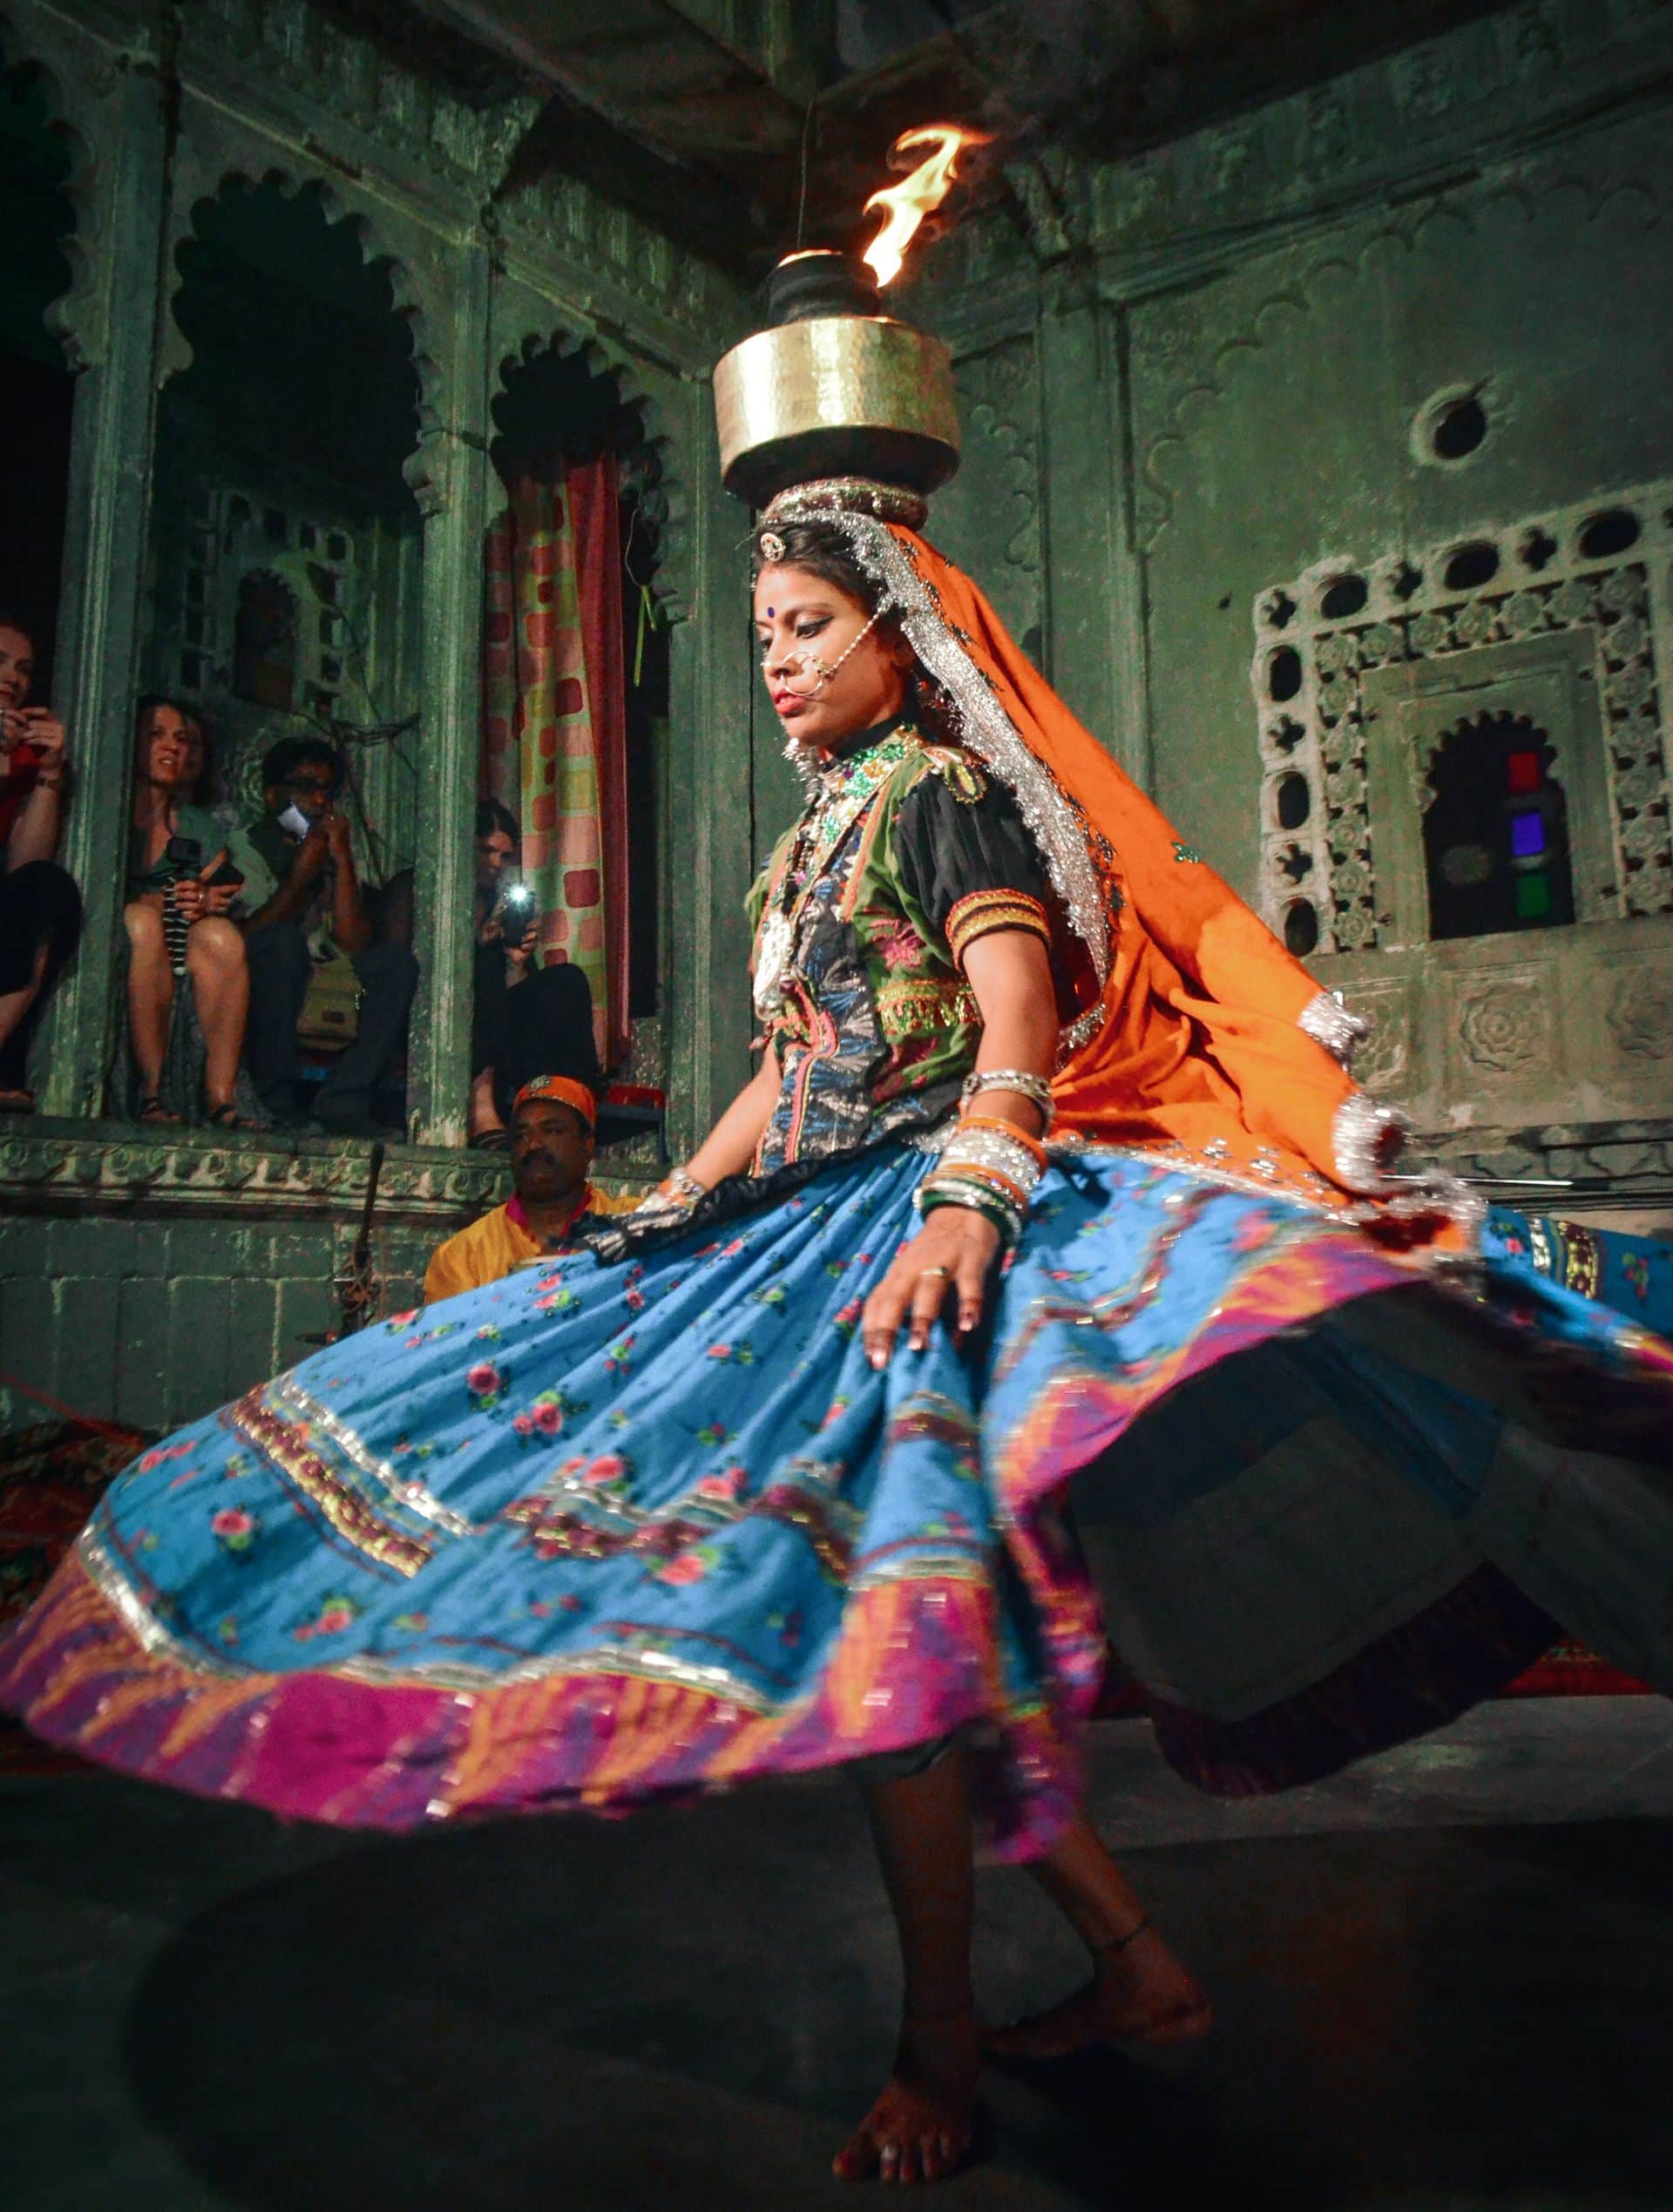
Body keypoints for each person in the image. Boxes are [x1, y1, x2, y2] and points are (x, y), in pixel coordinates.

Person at [10, 481, 1673, 2192]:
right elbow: (783, 1061)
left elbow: (1011, 1006)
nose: (782, 664)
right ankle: (1125, 1962)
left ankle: (940, 2043)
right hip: (804, 1228)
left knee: (904, 1645)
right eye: (763, 641)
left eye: (810, 629)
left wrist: (972, 1190)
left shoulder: (944, 795)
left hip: (918, 1234)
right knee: (923, 1638)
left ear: (902, 635)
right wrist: (678, 1201)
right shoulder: (809, 837)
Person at [229, 734, 418, 1137]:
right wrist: (300, 877)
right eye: (305, 788)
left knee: (395, 965)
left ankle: (343, 1100)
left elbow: (353, 942)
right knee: (282, 945)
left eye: (327, 792)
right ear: (271, 795)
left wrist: (342, 860)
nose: (319, 802)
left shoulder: (329, 850)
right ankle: (275, 1101)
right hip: (268, 967)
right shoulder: (245, 846)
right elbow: (248, 935)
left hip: (329, 971)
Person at [122, 695, 255, 1128]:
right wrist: (160, 902)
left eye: (181, 739)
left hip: (180, 938)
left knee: (222, 938)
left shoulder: (195, 823)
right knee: (143, 923)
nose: (172, 747)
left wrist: (209, 898)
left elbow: (225, 883)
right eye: (156, 735)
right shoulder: (111, 809)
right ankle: (152, 1092)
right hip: (125, 931)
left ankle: (221, 1099)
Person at [423, 1074, 638, 1302]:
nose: (533, 1144)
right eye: (521, 1136)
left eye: (552, 1130)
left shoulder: (635, 1226)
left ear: (587, 1144)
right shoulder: (463, 1256)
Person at [468, 797, 600, 1146]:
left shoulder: (500, 904)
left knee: (566, 980)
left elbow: (520, 999)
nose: (495, 864)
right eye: (485, 851)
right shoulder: (425, 891)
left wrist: (516, 959)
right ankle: (479, 1107)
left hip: (500, 1029)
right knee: (485, 961)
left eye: (504, 855)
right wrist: (479, 943)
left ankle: (567, 1108)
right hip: (447, 1025)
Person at [0, 607, 81, 1114]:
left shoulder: (25, 753)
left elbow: (25, 864)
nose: (12, 678)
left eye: (23, 668)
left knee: (49, 890)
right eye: (0, 662)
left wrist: (49, 773)